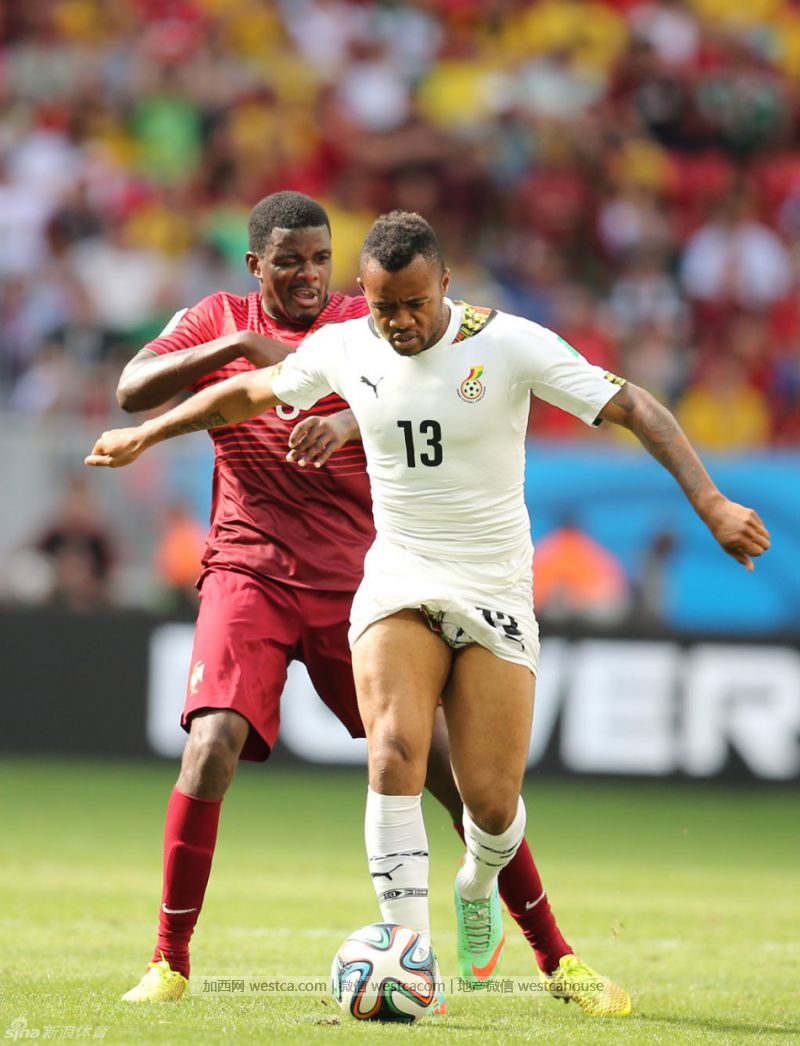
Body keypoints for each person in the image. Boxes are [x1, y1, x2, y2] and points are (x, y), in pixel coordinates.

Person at [88, 211, 770, 1013]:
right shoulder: (323, 334)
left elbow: (626, 406)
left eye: (412, 303)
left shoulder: (491, 340)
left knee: (484, 800)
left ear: (443, 285)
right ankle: (358, 961)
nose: (398, 321)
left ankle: (521, 924)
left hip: (460, 583)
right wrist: (147, 435)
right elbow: (225, 392)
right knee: (335, 750)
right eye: (385, 306)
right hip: (337, 574)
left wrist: (711, 504)